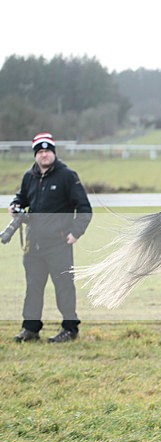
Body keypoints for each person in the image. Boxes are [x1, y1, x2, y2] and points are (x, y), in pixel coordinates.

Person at [9, 132, 92, 343]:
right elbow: (21, 198)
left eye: (47, 151)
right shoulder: (30, 177)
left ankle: (70, 329)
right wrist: (15, 205)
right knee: (33, 287)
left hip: (59, 243)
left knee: (64, 286)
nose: (44, 155)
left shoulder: (67, 176)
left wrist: (76, 233)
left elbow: (84, 208)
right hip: (33, 243)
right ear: (35, 155)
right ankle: (31, 329)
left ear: (53, 153)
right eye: (40, 152)